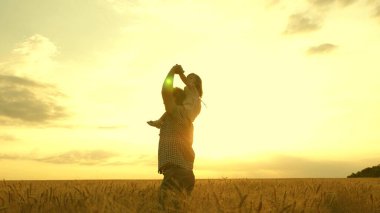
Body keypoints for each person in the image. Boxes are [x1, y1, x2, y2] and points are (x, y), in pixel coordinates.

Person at [150, 64, 203, 210]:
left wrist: (172, 72)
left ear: (175, 100)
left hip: (176, 173)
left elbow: (165, 92)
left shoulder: (177, 113)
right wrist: (157, 123)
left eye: (170, 100)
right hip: (184, 173)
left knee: (162, 208)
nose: (166, 104)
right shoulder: (174, 118)